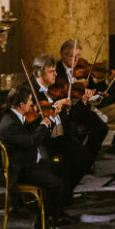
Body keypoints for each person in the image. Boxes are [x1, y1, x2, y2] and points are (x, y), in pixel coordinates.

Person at [0, 85, 77, 227]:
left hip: (29, 162)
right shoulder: (10, 124)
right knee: (56, 184)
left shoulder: (17, 117)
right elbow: (31, 141)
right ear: (21, 104)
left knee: (64, 170)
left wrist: (50, 118)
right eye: (29, 102)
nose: (32, 105)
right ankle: (43, 221)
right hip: (21, 170)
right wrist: (44, 124)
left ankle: (58, 214)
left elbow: (32, 134)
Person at [29, 55, 95, 186]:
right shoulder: (30, 92)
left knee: (85, 158)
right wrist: (53, 108)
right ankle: (61, 192)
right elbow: (32, 120)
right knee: (57, 166)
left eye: (55, 70)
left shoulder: (54, 90)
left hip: (59, 136)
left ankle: (67, 189)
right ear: (39, 73)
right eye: (51, 71)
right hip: (43, 138)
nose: (56, 74)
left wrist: (82, 101)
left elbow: (70, 118)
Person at [54, 40, 111, 159]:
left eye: (77, 56)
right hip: (64, 111)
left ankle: (88, 158)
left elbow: (92, 88)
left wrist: (107, 81)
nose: (75, 60)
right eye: (72, 57)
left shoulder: (81, 69)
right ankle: (73, 158)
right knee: (71, 129)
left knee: (101, 128)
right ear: (63, 55)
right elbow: (57, 91)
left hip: (80, 107)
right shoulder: (56, 70)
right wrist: (74, 86)